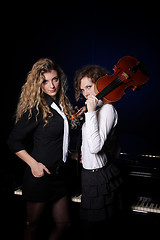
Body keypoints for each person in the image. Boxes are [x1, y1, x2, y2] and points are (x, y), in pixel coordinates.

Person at [7, 58, 74, 240]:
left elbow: (55, 139)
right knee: (33, 225)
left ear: (60, 79)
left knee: (64, 224)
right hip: (40, 177)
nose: (51, 85)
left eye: (55, 79)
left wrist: (71, 155)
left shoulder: (60, 105)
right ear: (39, 84)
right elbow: (13, 141)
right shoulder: (36, 109)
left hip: (58, 176)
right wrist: (33, 164)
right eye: (45, 81)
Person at [74, 65, 124, 239]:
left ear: (101, 84)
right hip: (88, 175)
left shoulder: (107, 110)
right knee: (89, 229)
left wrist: (91, 113)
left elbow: (96, 147)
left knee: (96, 230)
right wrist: (81, 156)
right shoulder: (92, 111)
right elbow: (88, 145)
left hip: (98, 177)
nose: (86, 93)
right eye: (83, 89)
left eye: (89, 87)